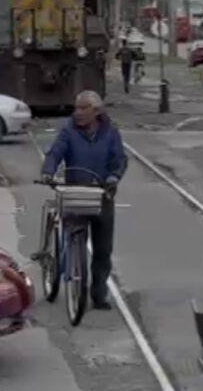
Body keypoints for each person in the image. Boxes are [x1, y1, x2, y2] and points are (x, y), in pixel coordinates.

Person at [40, 90, 128, 310]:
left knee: (103, 249)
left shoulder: (110, 132)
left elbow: (119, 159)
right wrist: (48, 171)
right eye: (76, 108)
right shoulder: (68, 131)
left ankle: (99, 293)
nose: (77, 113)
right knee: (75, 236)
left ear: (96, 111)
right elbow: (55, 153)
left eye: (83, 108)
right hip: (75, 193)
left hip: (102, 195)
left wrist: (113, 177)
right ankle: (73, 276)